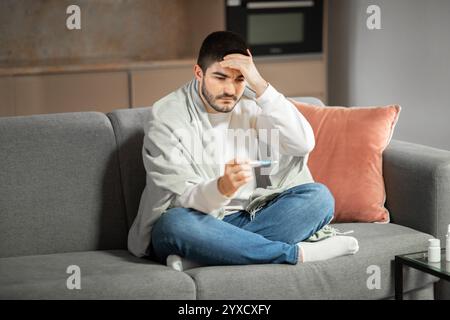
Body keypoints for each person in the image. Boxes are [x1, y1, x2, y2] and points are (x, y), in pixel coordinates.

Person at [128, 31, 359, 270]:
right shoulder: (167, 116)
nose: (230, 89)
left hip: (250, 215)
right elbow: (179, 198)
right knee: (174, 225)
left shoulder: (252, 103)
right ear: (199, 73)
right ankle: (292, 254)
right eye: (220, 77)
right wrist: (221, 188)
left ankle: (205, 256)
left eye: (239, 79)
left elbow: (302, 144)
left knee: (319, 199)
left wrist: (259, 83)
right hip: (197, 220)